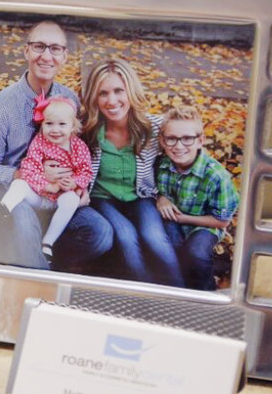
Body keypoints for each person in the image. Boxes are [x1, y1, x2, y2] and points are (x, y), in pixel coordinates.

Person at [0, 20, 111, 269]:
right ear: (26, 51)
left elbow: (80, 154)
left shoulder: (69, 99)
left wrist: (81, 187)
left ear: (64, 56)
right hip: (20, 190)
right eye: (39, 46)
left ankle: (44, 259)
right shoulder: (2, 106)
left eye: (55, 49)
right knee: (25, 226)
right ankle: (38, 276)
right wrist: (29, 175)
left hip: (61, 192)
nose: (46, 56)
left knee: (100, 233)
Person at [78, 58, 183, 287]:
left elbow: (173, 160)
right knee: (125, 236)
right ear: (94, 98)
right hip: (102, 198)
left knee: (154, 238)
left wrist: (164, 194)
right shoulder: (87, 130)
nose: (112, 101)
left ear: (131, 92)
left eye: (118, 91)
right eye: (103, 93)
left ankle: (182, 293)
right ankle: (144, 298)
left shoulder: (154, 128)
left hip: (141, 196)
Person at [155, 106, 240, 290]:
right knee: (168, 248)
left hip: (205, 225)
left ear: (200, 140)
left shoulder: (216, 176)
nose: (178, 146)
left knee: (196, 253)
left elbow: (222, 221)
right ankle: (178, 286)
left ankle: (206, 291)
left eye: (187, 139)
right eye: (171, 139)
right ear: (162, 140)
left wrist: (184, 218)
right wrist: (162, 197)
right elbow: (154, 188)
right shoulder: (162, 164)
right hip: (173, 221)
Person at [0, 96, 92, 261]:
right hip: (38, 194)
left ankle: (48, 242)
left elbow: (86, 171)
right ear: (42, 124)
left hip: (60, 199)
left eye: (62, 124)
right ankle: (1, 211)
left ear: (73, 126)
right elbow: (28, 168)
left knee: (71, 200)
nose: (55, 130)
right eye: (49, 124)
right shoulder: (40, 142)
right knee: (19, 184)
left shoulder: (78, 147)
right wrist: (46, 185)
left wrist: (75, 182)